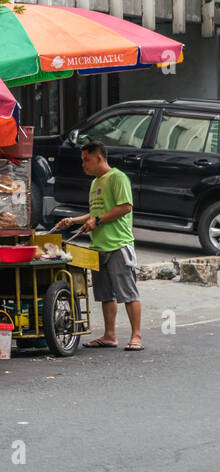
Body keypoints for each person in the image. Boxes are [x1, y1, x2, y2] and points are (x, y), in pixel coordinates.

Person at [56, 141, 143, 351]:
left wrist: (98, 221)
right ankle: (109, 335)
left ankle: (136, 336)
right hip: (99, 246)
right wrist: (74, 221)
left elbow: (124, 207)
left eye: (87, 160)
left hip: (118, 245)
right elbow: (95, 213)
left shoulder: (117, 177)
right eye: (83, 160)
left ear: (99, 158)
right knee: (105, 294)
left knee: (128, 293)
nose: (84, 164)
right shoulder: (96, 183)